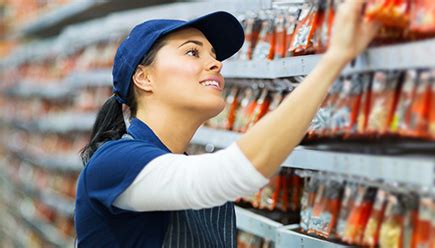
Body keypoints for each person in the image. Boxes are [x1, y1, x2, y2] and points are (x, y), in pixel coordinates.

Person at [74, 1, 380, 247]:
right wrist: (334, 59)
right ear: (144, 77)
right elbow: (234, 172)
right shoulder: (114, 163)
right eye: (192, 52)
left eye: (214, 55)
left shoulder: (181, 170)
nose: (216, 63)